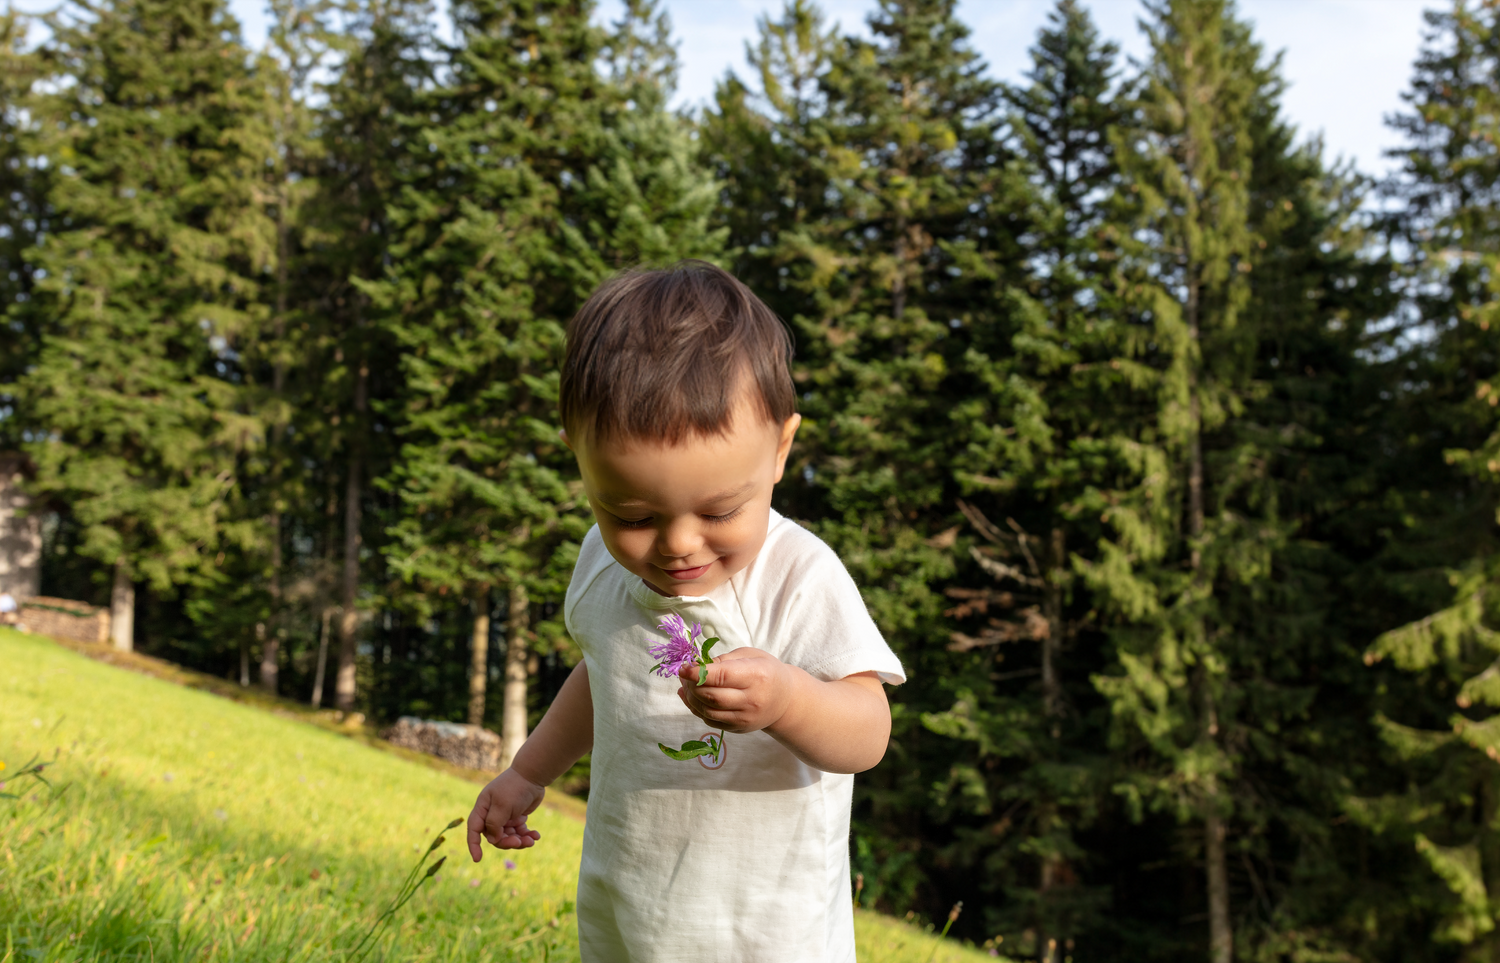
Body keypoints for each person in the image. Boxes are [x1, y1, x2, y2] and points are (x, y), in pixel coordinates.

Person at [465, 261, 905, 962]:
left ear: (780, 449)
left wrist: (788, 699)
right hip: (631, 904)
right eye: (633, 514)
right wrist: (528, 771)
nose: (677, 544)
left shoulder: (796, 576)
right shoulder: (602, 564)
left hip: (765, 930)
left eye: (720, 511)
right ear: (580, 462)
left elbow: (868, 731)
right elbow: (606, 673)